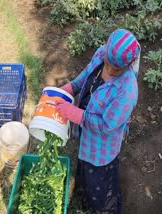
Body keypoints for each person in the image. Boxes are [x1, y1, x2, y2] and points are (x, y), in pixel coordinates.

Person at [55, 29, 141, 213]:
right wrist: (65, 90)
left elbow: (106, 125)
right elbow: (84, 78)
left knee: (99, 182)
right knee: (85, 168)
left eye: (116, 69)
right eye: (107, 64)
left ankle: (105, 207)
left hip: (101, 148)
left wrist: (76, 114)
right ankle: (84, 192)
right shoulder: (102, 53)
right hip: (86, 135)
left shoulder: (126, 90)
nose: (109, 70)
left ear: (128, 65)